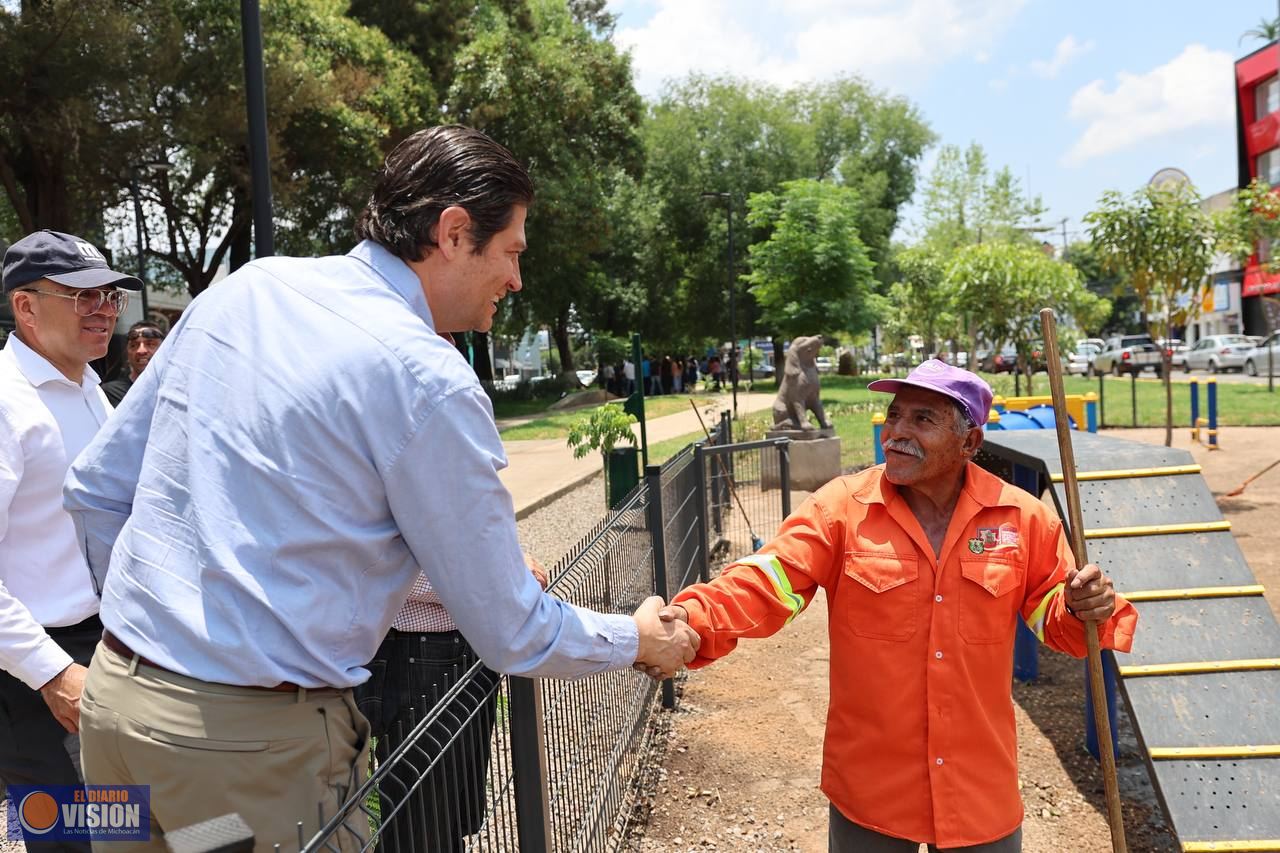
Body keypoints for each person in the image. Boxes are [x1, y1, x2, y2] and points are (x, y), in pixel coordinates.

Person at [63, 125, 699, 852]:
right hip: (252, 755)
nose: (518, 279)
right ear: (454, 232)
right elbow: (511, 628)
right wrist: (635, 638)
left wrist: (154, 640)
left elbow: (94, 487)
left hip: (115, 707)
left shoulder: (248, 290)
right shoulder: (425, 377)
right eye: (514, 250)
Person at [658, 359, 1138, 852]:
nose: (896, 433)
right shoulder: (840, 509)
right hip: (872, 792)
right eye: (894, 416)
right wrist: (693, 619)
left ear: (970, 443)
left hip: (980, 790)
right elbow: (767, 580)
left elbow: (1056, 617)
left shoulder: (1023, 518)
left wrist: (1083, 607)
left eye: (922, 420)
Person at [0, 230, 140, 853]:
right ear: (25, 306)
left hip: (99, 647)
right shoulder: (7, 404)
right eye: (81, 295)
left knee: (121, 833)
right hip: (37, 673)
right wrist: (52, 674)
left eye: (109, 294)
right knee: (72, 843)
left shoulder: (87, 389)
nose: (104, 308)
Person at [355, 552, 547, 853]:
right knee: (420, 827)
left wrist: (508, 560)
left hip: (466, 643)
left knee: (449, 819)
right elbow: (385, 562)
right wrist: (501, 575)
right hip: (417, 650)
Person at [100, 321, 164, 407]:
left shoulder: (177, 390)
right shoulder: (109, 393)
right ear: (127, 354)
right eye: (134, 345)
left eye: (150, 344)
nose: (141, 351)